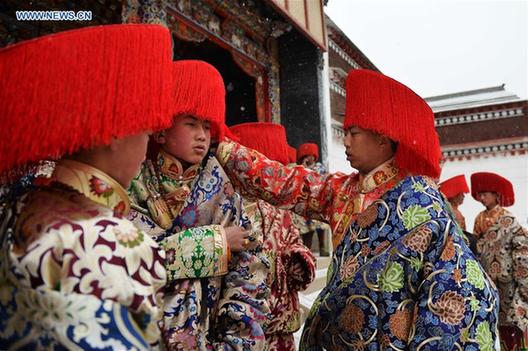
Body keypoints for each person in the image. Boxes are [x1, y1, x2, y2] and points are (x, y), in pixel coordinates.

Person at [216, 69, 500, 350]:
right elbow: (284, 182)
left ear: (382, 138)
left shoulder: (422, 199)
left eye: (353, 132)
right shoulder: (341, 190)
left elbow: (451, 289)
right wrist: (225, 148)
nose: (347, 141)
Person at [0, 24, 174, 349]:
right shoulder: (106, 238)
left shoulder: (22, 204)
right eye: (146, 134)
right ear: (112, 134)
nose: (146, 149)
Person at [128, 60, 269, 350]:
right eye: (191, 124)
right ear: (161, 131)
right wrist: (216, 242)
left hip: (209, 335)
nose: (202, 135)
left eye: (207, 126)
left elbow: (249, 267)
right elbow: (130, 260)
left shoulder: (221, 189)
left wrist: (238, 338)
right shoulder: (135, 182)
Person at [229, 122, 316, 351]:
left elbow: (294, 243)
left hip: (280, 324)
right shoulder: (228, 207)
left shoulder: (280, 210)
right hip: (244, 323)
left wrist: (297, 258)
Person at [471, 172, 528, 350]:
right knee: (498, 325)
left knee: (513, 322)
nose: (482, 198)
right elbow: (476, 247)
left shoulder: (509, 219)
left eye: (485, 194)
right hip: (488, 282)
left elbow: (522, 247)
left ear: (496, 195)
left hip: (508, 281)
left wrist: (522, 277)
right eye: (480, 195)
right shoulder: (479, 219)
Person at [295, 143, 332, 256]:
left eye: (311, 155)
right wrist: (304, 167)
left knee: (321, 229)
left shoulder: (320, 167)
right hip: (305, 203)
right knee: (307, 231)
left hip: (318, 202)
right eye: (306, 155)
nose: (309, 157)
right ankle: (307, 253)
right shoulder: (300, 168)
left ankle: (324, 250)